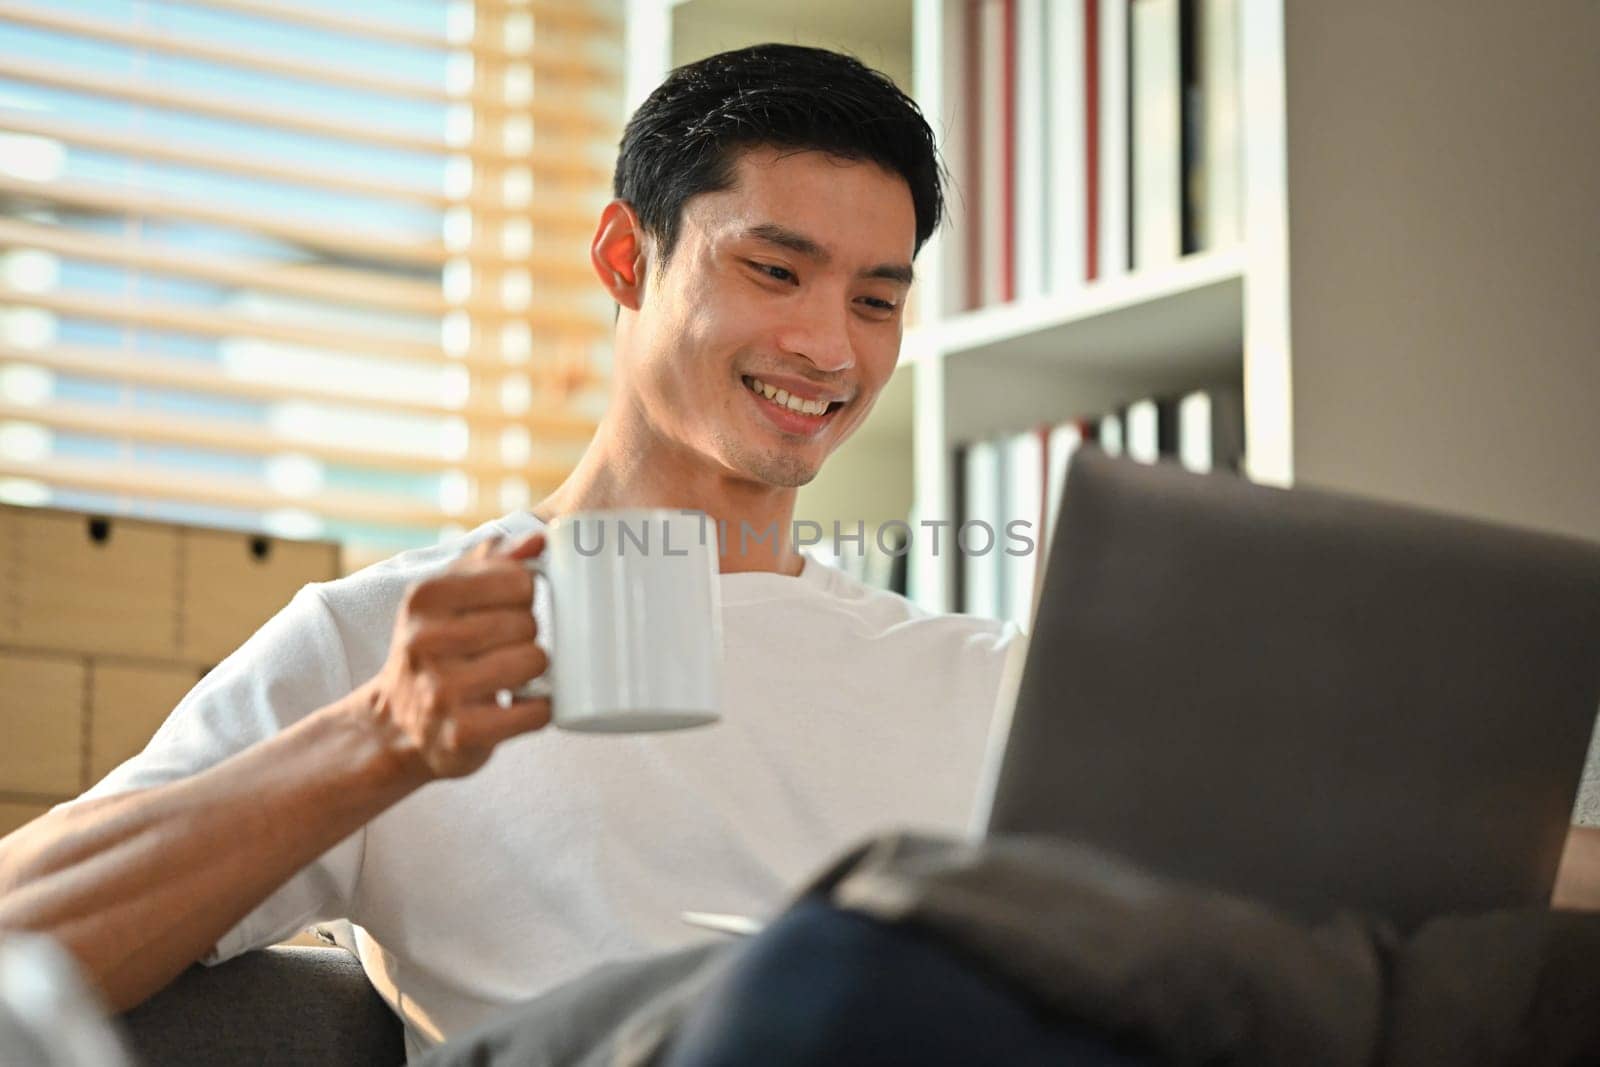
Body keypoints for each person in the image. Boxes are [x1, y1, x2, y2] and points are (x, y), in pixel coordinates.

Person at [0, 44, 1023, 1059]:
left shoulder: (988, 680)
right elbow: (17, 945)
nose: (829, 346)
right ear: (626, 257)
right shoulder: (406, 645)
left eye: (874, 301)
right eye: (774, 270)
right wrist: (378, 739)